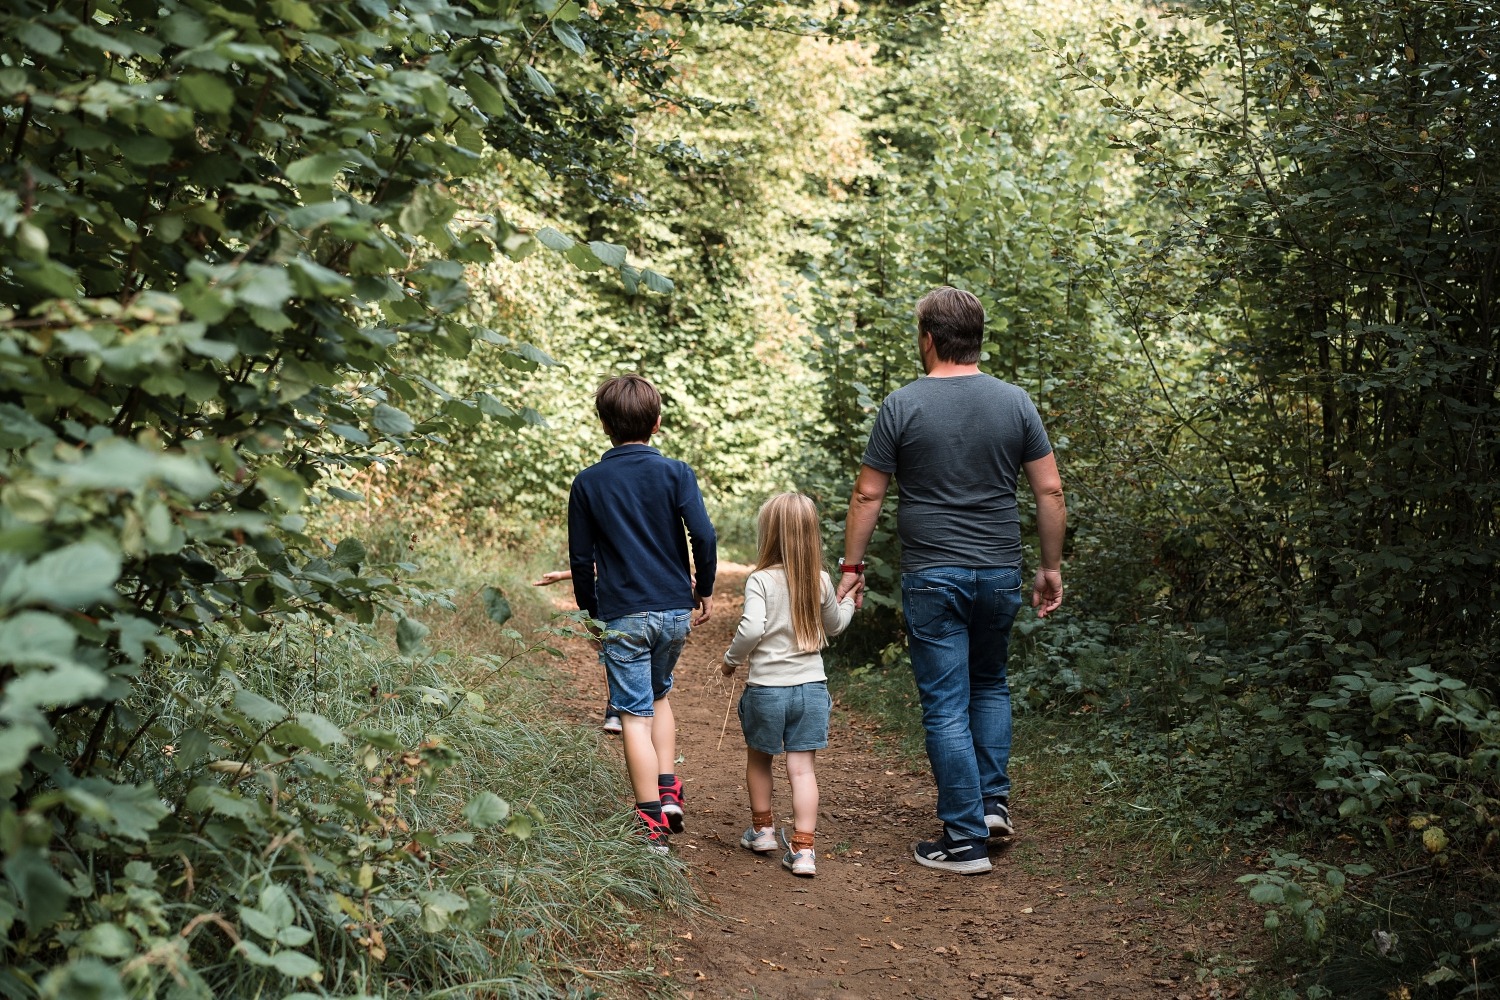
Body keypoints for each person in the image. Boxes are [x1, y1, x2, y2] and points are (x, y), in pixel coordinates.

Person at [836, 286, 1066, 876]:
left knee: (944, 705)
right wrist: (1049, 567)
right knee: (989, 684)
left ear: (930, 339)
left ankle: (964, 840)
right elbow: (1049, 490)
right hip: (997, 572)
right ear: (977, 338)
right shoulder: (1015, 403)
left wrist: (853, 567)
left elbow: (868, 493)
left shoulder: (902, 405)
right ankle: (990, 806)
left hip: (933, 576)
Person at [568, 374, 717, 853]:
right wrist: (704, 589)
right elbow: (704, 536)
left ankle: (650, 820)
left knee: (633, 713)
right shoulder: (676, 473)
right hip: (674, 608)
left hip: (624, 614)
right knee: (660, 695)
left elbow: (580, 560)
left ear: (603, 424)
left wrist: (593, 616)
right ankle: (669, 790)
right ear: (657, 423)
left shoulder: (588, 483)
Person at [722, 493, 857, 878]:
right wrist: (847, 602)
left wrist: (731, 660)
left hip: (767, 688)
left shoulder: (761, 579)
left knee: (760, 758)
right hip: (812, 688)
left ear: (770, 534)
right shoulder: (821, 579)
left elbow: (751, 628)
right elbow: (834, 626)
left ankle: (763, 830)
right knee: (802, 770)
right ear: (811, 534)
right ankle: (803, 850)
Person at [533, 568, 622, 734]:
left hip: (608, 598)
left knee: (609, 653)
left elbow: (592, 564)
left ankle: (614, 711)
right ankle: (642, 708)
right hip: (641, 598)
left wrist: (562, 575)